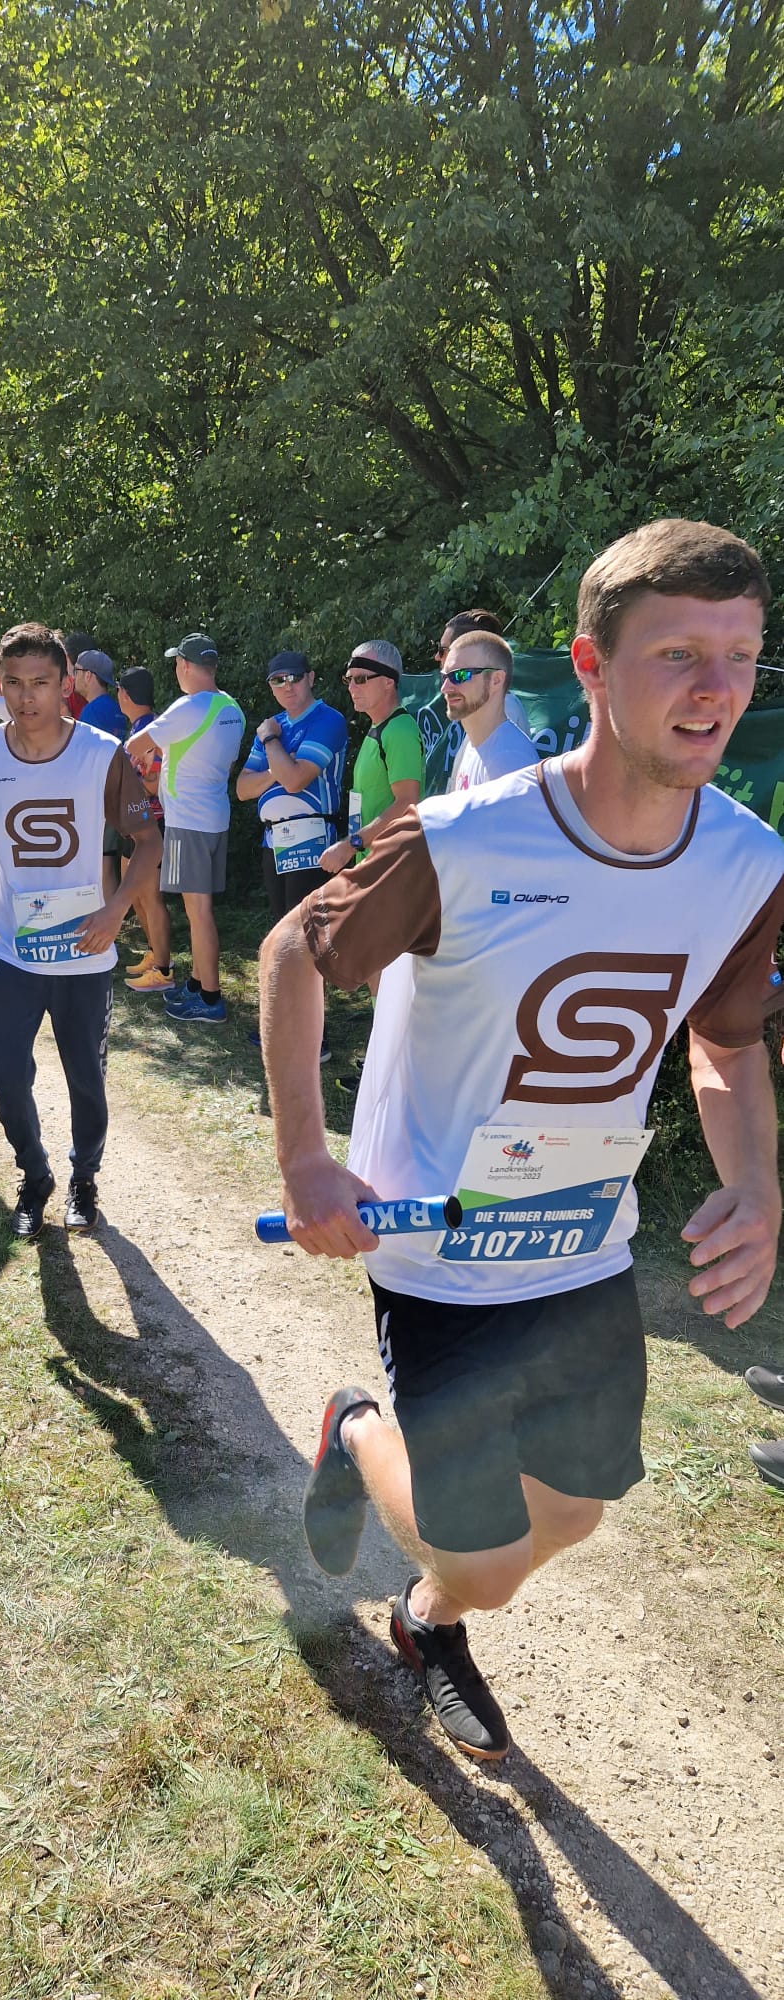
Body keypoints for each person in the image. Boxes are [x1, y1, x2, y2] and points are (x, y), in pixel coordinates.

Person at [260, 517, 784, 1763]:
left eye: (740, 652)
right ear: (590, 667)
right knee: (485, 1555)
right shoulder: (466, 836)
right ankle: (359, 1431)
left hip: (582, 1246)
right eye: (676, 654)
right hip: (436, 1246)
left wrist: (757, 1183)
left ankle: (428, 1616)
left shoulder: (749, 860)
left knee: (578, 1510)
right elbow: (290, 950)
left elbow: (723, 1043)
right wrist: (303, 1156)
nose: (715, 688)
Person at [0, 621, 160, 1237]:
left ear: (67, 684)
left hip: (84, 951)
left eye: (40, 682)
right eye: (12, 683)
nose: (25, 696)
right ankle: (35, 1177)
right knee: (5, 1072)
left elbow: (148, 842)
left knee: (85, 1081)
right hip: (11, 947)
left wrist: (116, 909)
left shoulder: (100, 753)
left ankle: (84, 1177)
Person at [126, 633, 245, 1025]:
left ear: (188, 667)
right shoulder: (233, 709)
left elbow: (136, 744)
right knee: (199, 909)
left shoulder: (187, 707)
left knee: (199, 912)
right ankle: (196, 981)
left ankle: (209, 998)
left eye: (178, 663)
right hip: (214, 815)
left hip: (186, 821)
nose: (176, 669)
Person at [236, 651, 348, 922]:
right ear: (270, 687)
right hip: (273, 839)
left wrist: (272, 741)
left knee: (307, 931)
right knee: (282, 926)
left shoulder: (326, 719)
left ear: (310, 678)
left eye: (295, 678)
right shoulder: (272, 725)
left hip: (313, 835)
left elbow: (296, 781)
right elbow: (242, 789)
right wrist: (280, 769)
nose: (287, 686)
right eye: (278, 680)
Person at [319, 640, 422, 876]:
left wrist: (350, 845)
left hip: (393, 866)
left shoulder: (399, 731)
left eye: (361, 679)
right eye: (349, 679)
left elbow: (407, 802)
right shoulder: (379, 729)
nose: (352, 687)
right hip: (374, 863)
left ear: (388, 682)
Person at [116, 665, 174, 994]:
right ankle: (154, 955)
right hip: (134, 823)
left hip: (152, 824)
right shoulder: (139, 727)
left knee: (150, 897)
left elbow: (152, 785)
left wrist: (125, 782)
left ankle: (164, 971)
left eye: (120, 692)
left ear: (126, 694)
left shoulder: (151, 729)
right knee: (136, 895)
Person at [440, 632, 540, 789]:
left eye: (459, 675)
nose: (445, 688)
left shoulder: (508, 759)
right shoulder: (475, 746)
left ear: (496, 680)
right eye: (444, 677)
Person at [72, 650, 130, 905]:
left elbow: (80, 760)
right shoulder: (116, 708)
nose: (72, 676)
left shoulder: (91, 713)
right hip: (117, 791)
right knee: (108, 858)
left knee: (102, 861)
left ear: (89, 676)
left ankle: (107, 923)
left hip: (96, 796)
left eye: (76, 671)